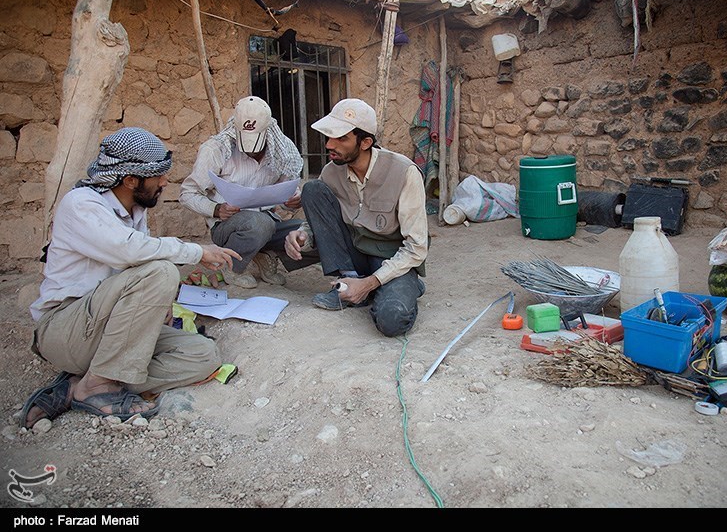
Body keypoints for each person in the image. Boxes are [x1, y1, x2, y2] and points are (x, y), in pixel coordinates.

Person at [21, 127, 241, 429]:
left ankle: (79, 386)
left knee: (203, 355)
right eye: (159, 176)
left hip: (110, 330)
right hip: (65, 329)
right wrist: (195, 252)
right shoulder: (82, 204)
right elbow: (129, 252)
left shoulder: (136, 210)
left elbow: (137, 265)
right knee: (161, 270)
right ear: (130, 180)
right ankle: (98, 384)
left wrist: (161, 304)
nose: (165, 182)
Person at [284, 98, 428, 337]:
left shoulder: (404, 173)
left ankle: (399, 286)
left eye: (341, 139)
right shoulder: (332, 171)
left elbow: (416, 247)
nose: (330, 145)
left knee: (393, 321)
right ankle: (349, 281)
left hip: (390, 256)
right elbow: (323, 220)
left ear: (365, 142)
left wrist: (372, 283)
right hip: (354, 251)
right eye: (329, 137)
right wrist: (302, 235)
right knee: (312, 190)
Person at [180, 95, 315, 288]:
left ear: (268, 131)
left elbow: (288, 190)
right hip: (227, 227)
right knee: (259, 223)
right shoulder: (215, 149)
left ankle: (263, 254)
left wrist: (291, 201)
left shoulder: (282, 149)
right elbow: (187, 193)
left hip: (269, 222)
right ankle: (232, 266)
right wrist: (216, 209)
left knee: (309, 232)